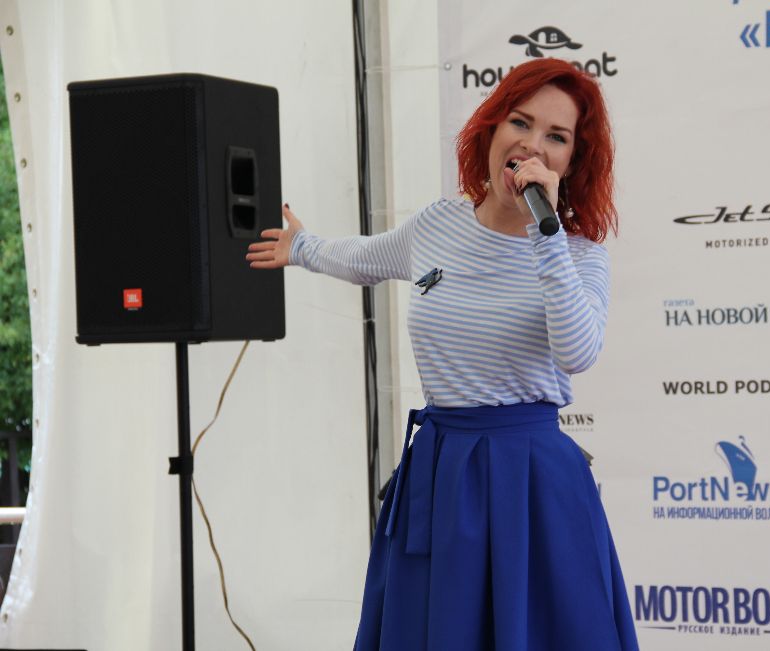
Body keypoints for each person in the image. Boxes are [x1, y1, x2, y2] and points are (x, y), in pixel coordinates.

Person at [246, 58, 639, 651]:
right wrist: (303, 247)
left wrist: (546, 234)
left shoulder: (579, 255)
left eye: (556, 136)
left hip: (529, 481)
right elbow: (367, 258)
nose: (532, 145)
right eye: (520, 122)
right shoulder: (439, 223)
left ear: (572, 161)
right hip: (441, 469)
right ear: (491, 129)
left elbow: (578, 350)